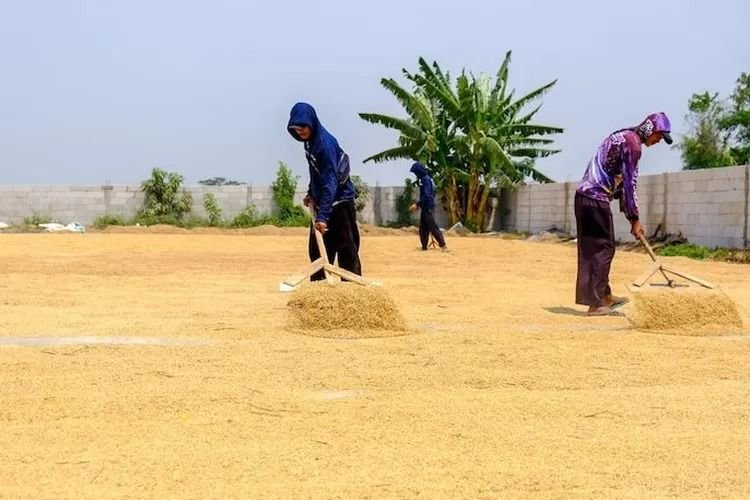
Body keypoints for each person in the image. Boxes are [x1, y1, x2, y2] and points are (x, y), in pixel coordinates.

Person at [575, 112, 673, 316]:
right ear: (650, 130)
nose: (658, 141)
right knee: (603, 249)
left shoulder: (623, 135)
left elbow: (618, 182)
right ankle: (596, 304)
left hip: (585, 198)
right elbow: (630, 184)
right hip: (595, 198)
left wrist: (630, 217)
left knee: (596, 249)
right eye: (659, 136)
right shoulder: (634, 146)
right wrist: (635, 219)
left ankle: (604, 296)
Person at [287, 102, 362, 281]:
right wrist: (311, 193)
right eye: (297, 129)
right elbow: (316, 173)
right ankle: (319, 295)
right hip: (325, 203)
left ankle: (353, 295)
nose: (301, 131)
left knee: (347, 253)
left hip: (340, 204)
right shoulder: (309, 143)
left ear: (312, 122)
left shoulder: (324, 145)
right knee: (318, 253)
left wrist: (323, 217)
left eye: (304, 127)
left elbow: (330, 182)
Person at [409, 162, 448, 252]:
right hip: (425, 207)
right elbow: (432, 193)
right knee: (423, 229)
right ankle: (424, 246)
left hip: (427, 207)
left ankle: (443, 245)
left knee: (433, 227)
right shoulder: (426, 179)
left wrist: (417, 204)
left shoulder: (425, 180)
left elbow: (427, 195)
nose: (415, 175)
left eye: (416, 172)